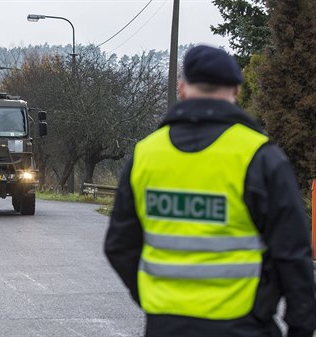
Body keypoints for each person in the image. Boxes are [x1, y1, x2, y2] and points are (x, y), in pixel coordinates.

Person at [104, 45, 316, 337]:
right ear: (236, 92)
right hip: (242, 325)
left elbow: (118, 245)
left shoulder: (145, 154)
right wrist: (301, 328)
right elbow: (293, 254)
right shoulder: (260, 156)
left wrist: (153, 300)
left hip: (165, 325)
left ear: (182, 89)